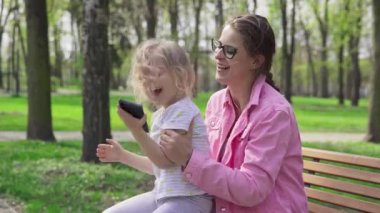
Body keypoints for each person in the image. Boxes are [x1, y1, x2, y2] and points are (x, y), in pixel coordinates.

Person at [159, 14, 308, 212]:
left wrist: (188, 158)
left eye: (229, 50)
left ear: (255, 61)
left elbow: (252, 188)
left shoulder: (274, 113)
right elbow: (207, 159)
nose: (218, 55)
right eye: (218, 46)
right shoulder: (216, 102)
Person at [96, 39, 212, 213]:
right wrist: (122, 156)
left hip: (190, 200)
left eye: (157, 73)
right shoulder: (162, 115)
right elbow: (156, 166)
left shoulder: (183, 111)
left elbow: (164, 161)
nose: (149, 81)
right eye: (144, 77)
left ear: (180, 74)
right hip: (162, 196)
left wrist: (136, 130)